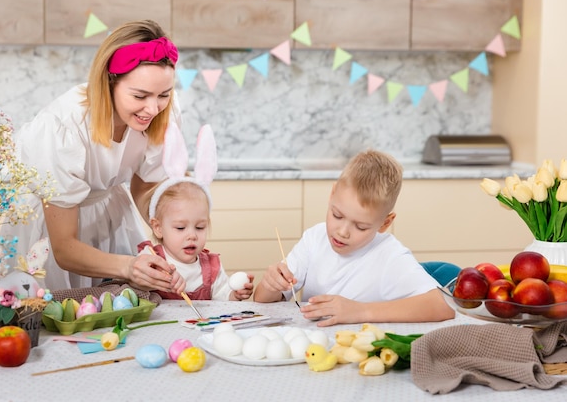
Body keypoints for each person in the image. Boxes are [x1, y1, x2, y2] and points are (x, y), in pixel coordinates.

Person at [0, 19, 186, 295]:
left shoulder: (162, 113)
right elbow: (64, 249)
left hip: (107, 211)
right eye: (140, 95)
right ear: (109, 82)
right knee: (57, 319)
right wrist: (128, 266)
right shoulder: (63, 127)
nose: (153, 108)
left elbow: (145, 184)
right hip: (49, 229)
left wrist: (173, 230)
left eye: (163, 95)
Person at [253, 150, 455, 327]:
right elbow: (263, 302)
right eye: (337, 215)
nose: (342, 232)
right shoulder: (314, 239)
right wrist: (270, 286)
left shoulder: (389, 255)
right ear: (332, 194)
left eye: (361, 226)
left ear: (385, 223)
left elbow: (443, 306)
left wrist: (359, 312)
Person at [138, 123, 254, 301]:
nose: (192, 235)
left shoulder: (211, 267)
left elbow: (222, 298)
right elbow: (134, 290)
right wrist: (155, 280)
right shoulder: (150, 258)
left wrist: (235, 295)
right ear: (158, 227)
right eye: (180, 228)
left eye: (199, 227)